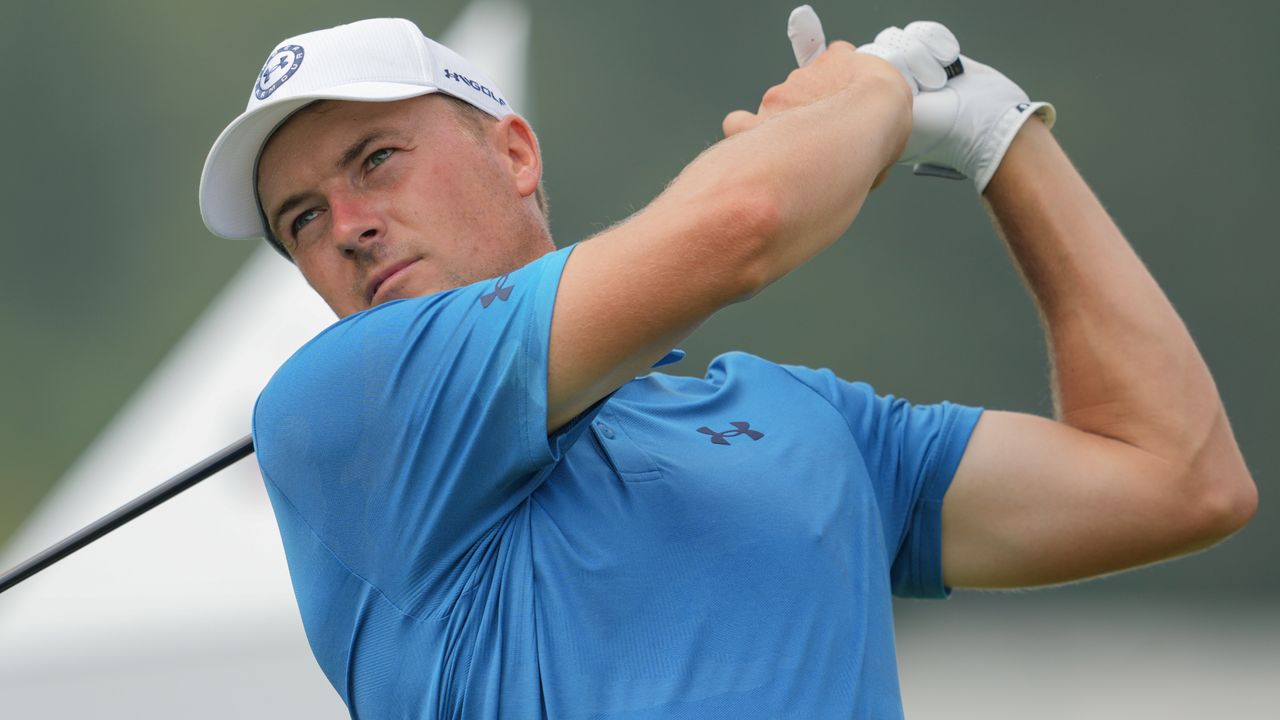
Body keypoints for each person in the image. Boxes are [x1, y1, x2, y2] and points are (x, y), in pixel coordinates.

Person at [198, 9, 1255, 719]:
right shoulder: (341, 408)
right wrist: (871, 93)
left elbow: (1177, 479)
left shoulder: (801, 420)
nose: (344, 226)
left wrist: (997, 139)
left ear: (514, 154)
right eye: (299, 218)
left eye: (375, 160)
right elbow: (748, 219)